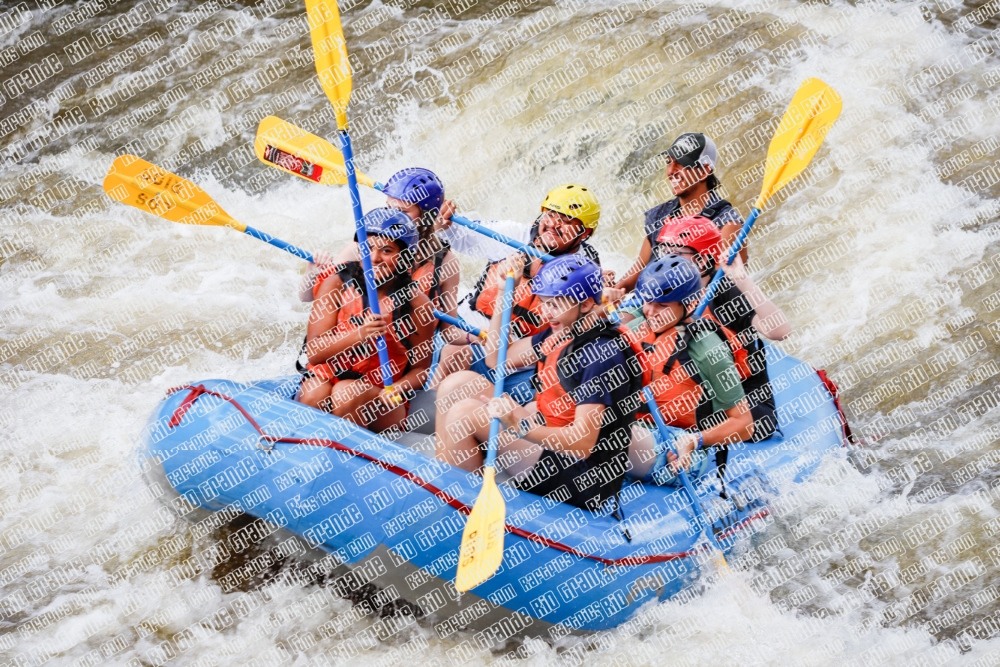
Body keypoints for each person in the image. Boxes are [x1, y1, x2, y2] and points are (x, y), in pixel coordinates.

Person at [435, 255, 644, 512]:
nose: (547, 312)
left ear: (587, 303)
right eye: (545, 303)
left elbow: (582, 444)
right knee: (456, 384)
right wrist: (503, 293)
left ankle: (462, 511)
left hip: (586, 477)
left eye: (555, 305)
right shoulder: (562, 331)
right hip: (550, 441)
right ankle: (444, 486)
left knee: (462, 415)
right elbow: (496, 359)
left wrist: (519, 427)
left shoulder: (602, 355)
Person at [430, 184, 605, 402]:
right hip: (474, 333)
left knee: (551, 392)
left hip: (520, 361)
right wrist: (444, 223)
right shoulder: (514, 235)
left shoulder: (586, 268)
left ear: (584, 233)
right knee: (453, 353)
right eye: (550, 214)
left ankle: (492, 423)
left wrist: (603, 298)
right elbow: (461, 237)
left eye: (567, 221)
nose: (553, 224)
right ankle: (430, 411)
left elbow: (586, 323)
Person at [297, 208, 436, 433]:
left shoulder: (416, 304)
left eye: (387, 250)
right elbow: (315, 352)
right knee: (314, 394)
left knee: (347, 392)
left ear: (404, 257)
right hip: (331, 376)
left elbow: (421, 370)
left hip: (381, 394)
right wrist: (360, 334)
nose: (374, 258)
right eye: (368, 247)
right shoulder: (336, 283)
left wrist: (397, 388)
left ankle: (351, 460)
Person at [623, 255, 755, 484]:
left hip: (680, 446)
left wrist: (696, 440)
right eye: (648, 301)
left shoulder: (709, 352)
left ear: (691, 304)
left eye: (662, 306)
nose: (650, 312)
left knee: (616, 438)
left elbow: (745, 425)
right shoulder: (637, 328)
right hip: (634, 426)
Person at [298, 168, 463, 341]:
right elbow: (306, 296)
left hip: (398, 355)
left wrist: (479, 338)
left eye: (403, 212)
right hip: (348, 347)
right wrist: (313, 271)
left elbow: (449, 331)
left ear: (426, 217)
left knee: (459, 352)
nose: (393, 215)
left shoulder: (445, 262)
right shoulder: (363, 247)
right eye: (389, 208)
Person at [615, 132, 745, 293]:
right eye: (669, 162)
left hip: (695, 313)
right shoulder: (660, 215)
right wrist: (612, 292)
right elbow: (641, 268)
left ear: (704, 171)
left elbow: (726, 288)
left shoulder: (727, 223)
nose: (671, 171)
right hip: (652, 305)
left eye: (682, 163)